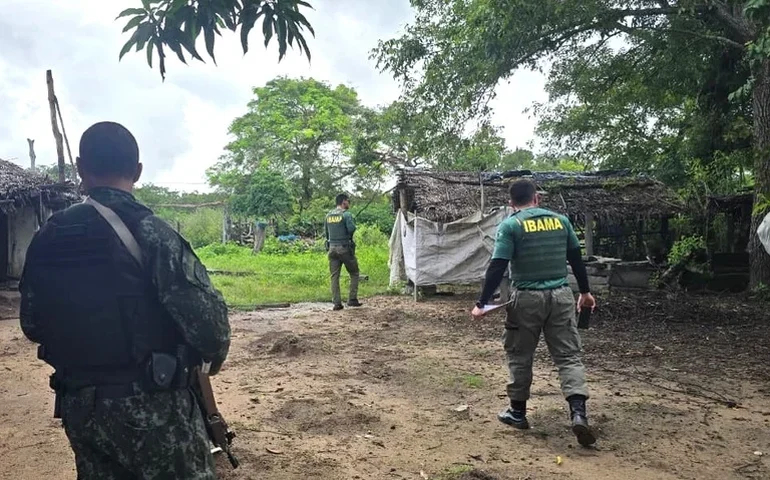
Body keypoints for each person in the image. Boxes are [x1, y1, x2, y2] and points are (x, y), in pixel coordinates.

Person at [19, 121, 231, 479]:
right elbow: (211, 330)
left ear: (80, 167)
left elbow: (32, 325)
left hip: (80, 408)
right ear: (138, 170)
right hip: (155, 409)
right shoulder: (150, 232)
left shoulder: (47, 237)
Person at [471, 178, 597, 447]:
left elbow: (498, 265)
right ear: (537, 198)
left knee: (520, 354)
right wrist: (585, 292)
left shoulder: (511, 225)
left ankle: (517, 413)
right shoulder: (561, 221)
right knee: (568, 356)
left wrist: (482, 303)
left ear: (511, 204)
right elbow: (576, 259)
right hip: (561, 296)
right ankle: (578, 413)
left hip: (526, 298)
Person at [324, 193, 361, 311]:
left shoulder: (328, 215)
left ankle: (337, 303)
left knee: (334, 276)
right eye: (348, 201)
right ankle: (352, 299)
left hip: (332, 248)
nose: (349, 203)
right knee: (354, 272)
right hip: (344, 248)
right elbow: (351, 229)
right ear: (343, 201)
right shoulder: (346, 215)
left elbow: (326, 233)